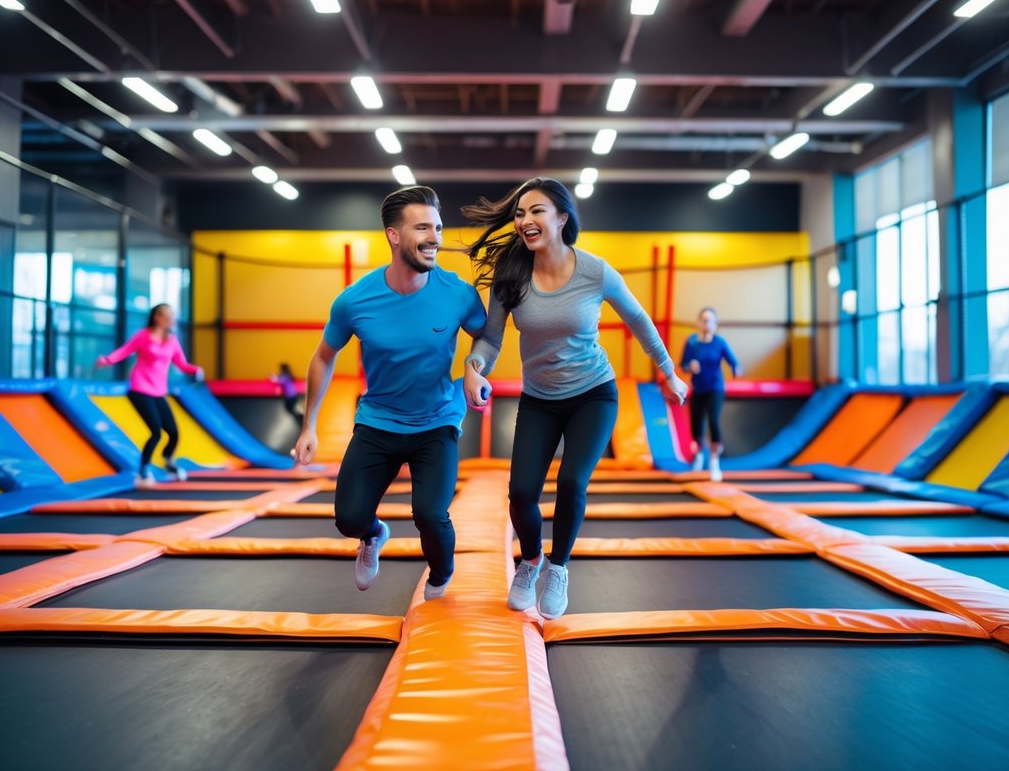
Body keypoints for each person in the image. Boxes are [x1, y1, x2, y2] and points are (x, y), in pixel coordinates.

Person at [462, 177, 688, 621]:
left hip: (593, 395)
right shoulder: (512, 276)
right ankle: (530, 561)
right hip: (539, 399)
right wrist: (474, 367)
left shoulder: (595, 271)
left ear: (562, 219)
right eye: (520, 213)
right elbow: (490, 339)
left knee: (571, 483)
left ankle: (559, 568)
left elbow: (639, 321)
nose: (525, 220)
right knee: (522, 493)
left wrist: (669, 372)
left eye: (536, 211)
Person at [293, 186, 486, 601]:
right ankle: (373, 533)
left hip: (437, 420)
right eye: (422, 228)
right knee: (348, 518)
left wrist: (473, 369)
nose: (434, 237)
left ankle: (440, 576)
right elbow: (323, 357)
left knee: (431, 515)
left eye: (437, 227)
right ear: (393, 236)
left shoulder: (457, 293)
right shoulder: (355, 300)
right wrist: (309, 426)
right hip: (378, 419)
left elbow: (487, 338)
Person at [96, 303, 203, 488]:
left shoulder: (172, 340)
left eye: (172, 316)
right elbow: (124, 350)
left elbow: (182, 363)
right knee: (155, 432)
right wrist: (107, 360)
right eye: (167, 316)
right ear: (157, 317)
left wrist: (195, 369)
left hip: (159, 391)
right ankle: (143, 471)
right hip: (139, 389)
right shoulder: (143, 336)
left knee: (173, 432)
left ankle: (168, 461)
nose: (171, 319)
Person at [681, 306, 742, 480]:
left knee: (713, 420)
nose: (707, 324)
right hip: (698, 388)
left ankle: (714, 461)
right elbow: (683, 364)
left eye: (710, 321)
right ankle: (700, 453)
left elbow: (734, 362)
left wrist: (736, 368)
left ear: (715, 324)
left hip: (715, 387)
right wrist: (689, 366)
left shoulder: (720, 342)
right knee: (696, 426)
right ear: (699, 323)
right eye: (704, 320)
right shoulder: (692, 342)